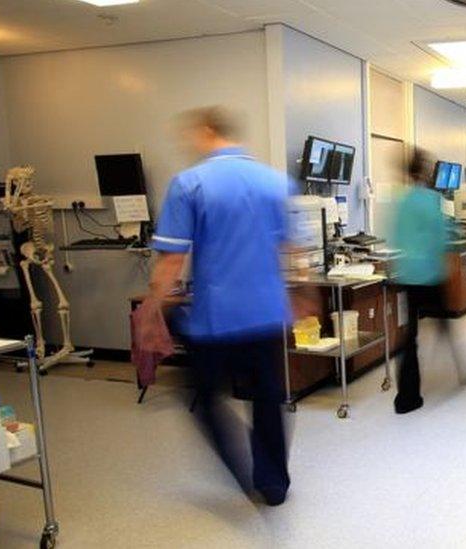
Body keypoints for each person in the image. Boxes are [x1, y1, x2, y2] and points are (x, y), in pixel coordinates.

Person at [145, 106, 297, 506]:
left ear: (209, 131)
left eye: (192, 135)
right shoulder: (275, 182)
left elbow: (172, 261)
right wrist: (305, 299)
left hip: (217, 317)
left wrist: (151, 310)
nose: (188, 143)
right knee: (267, 397)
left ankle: (241, 468)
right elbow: (291, 250)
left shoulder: (190, 183)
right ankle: (273, 483)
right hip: (266, 311)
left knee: (204, 396)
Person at [390, 149, 452, 415]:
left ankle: (406, 397)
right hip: (429, 273)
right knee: (443, 321)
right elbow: (441, 236)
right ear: (425, 171)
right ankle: (461, 366)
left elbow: (395, 237)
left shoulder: (402, 201)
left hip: (405, 275)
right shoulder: (431, 200)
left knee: (408, 336)